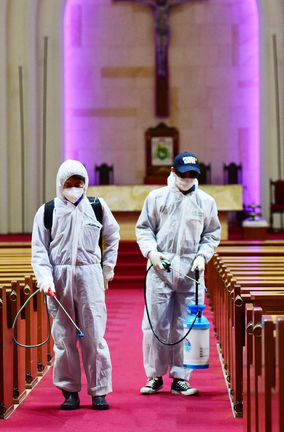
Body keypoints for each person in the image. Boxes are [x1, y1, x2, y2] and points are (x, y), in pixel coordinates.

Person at [31, 160, 120, 410]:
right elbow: (39, 250)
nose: (73, 189)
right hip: (59, 279)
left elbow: (113, 235)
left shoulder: (97, 207)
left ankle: (99, 390)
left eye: (78, 184)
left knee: (94, 336)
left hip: (89, 277)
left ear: (85, 184)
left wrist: (107, 267)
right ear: (60, 185)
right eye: (68, 185)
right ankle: (69, 391)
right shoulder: (48, 211)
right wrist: (46, 279)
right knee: (64, 338)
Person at [135, 152, 221, 396]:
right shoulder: (156, 198)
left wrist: (203, 257)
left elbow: (211, 234)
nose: (187, 178)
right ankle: (154, 376)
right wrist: (152, 253)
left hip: (191, 272)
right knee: (155, 325)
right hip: (160, 269)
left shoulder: (206, 202)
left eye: (192, 175)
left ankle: (181, 378)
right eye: (183, 174)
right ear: (173, 171)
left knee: (186, 325)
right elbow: (144, 229)